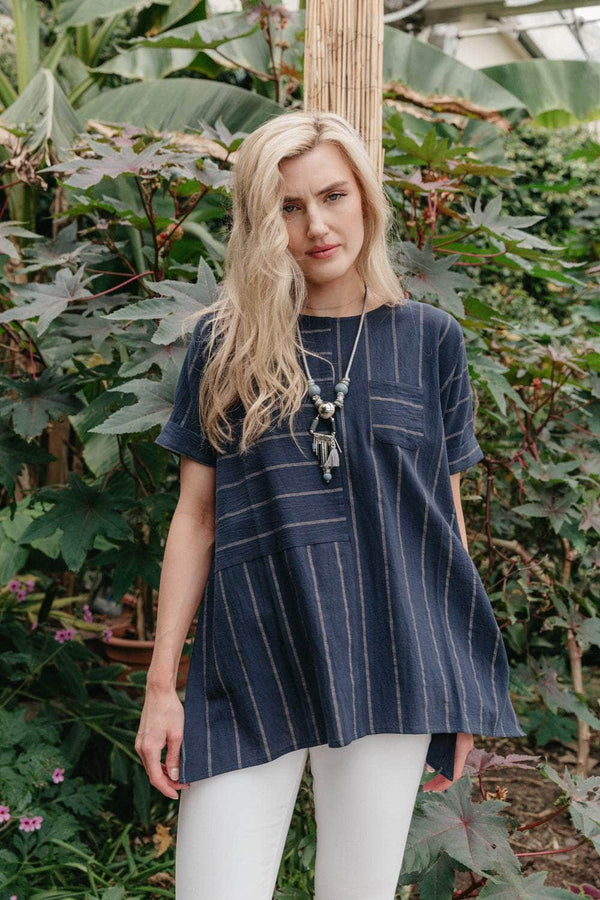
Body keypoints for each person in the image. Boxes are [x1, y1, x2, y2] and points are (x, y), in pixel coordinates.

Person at [135, 110, 524, 899]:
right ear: (260, 222)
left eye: (333, 196)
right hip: (251, 666)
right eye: (288, 206)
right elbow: (197, 519)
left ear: (366, 200)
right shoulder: (224, 345)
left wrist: (455, 684)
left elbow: (443, 529)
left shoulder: (430, 341)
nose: (316, 226)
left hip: (391, 663)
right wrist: (161, 687)